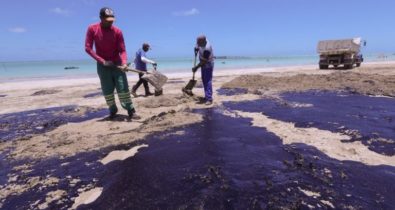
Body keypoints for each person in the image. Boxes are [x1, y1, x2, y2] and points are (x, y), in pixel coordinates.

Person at [85, 7, 140, 120]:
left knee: (123, 87)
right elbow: (88, 48)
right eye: (107, 20)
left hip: (117, 64)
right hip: (103, 65)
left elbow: (122, 50)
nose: (110, 22)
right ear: (101, 18)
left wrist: (124, 63)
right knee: (107, 89)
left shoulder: (117, 31)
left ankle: (131, 111)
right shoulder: (92, 29)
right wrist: (103, 61)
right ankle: (113, 111)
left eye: (112, 20)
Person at [192, 35, 214, 105]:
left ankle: (209, 99)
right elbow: (197, 45)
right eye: (197, 42)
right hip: (203, 61)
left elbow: (204, 61)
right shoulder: (201, 41)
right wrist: (196, 49)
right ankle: (207, 96)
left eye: (199, 43)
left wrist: (196, 67)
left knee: (208, 81)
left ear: (203, 42)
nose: (198, 44)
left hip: (208, 63)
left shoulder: (207, 48)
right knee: (204, 79)